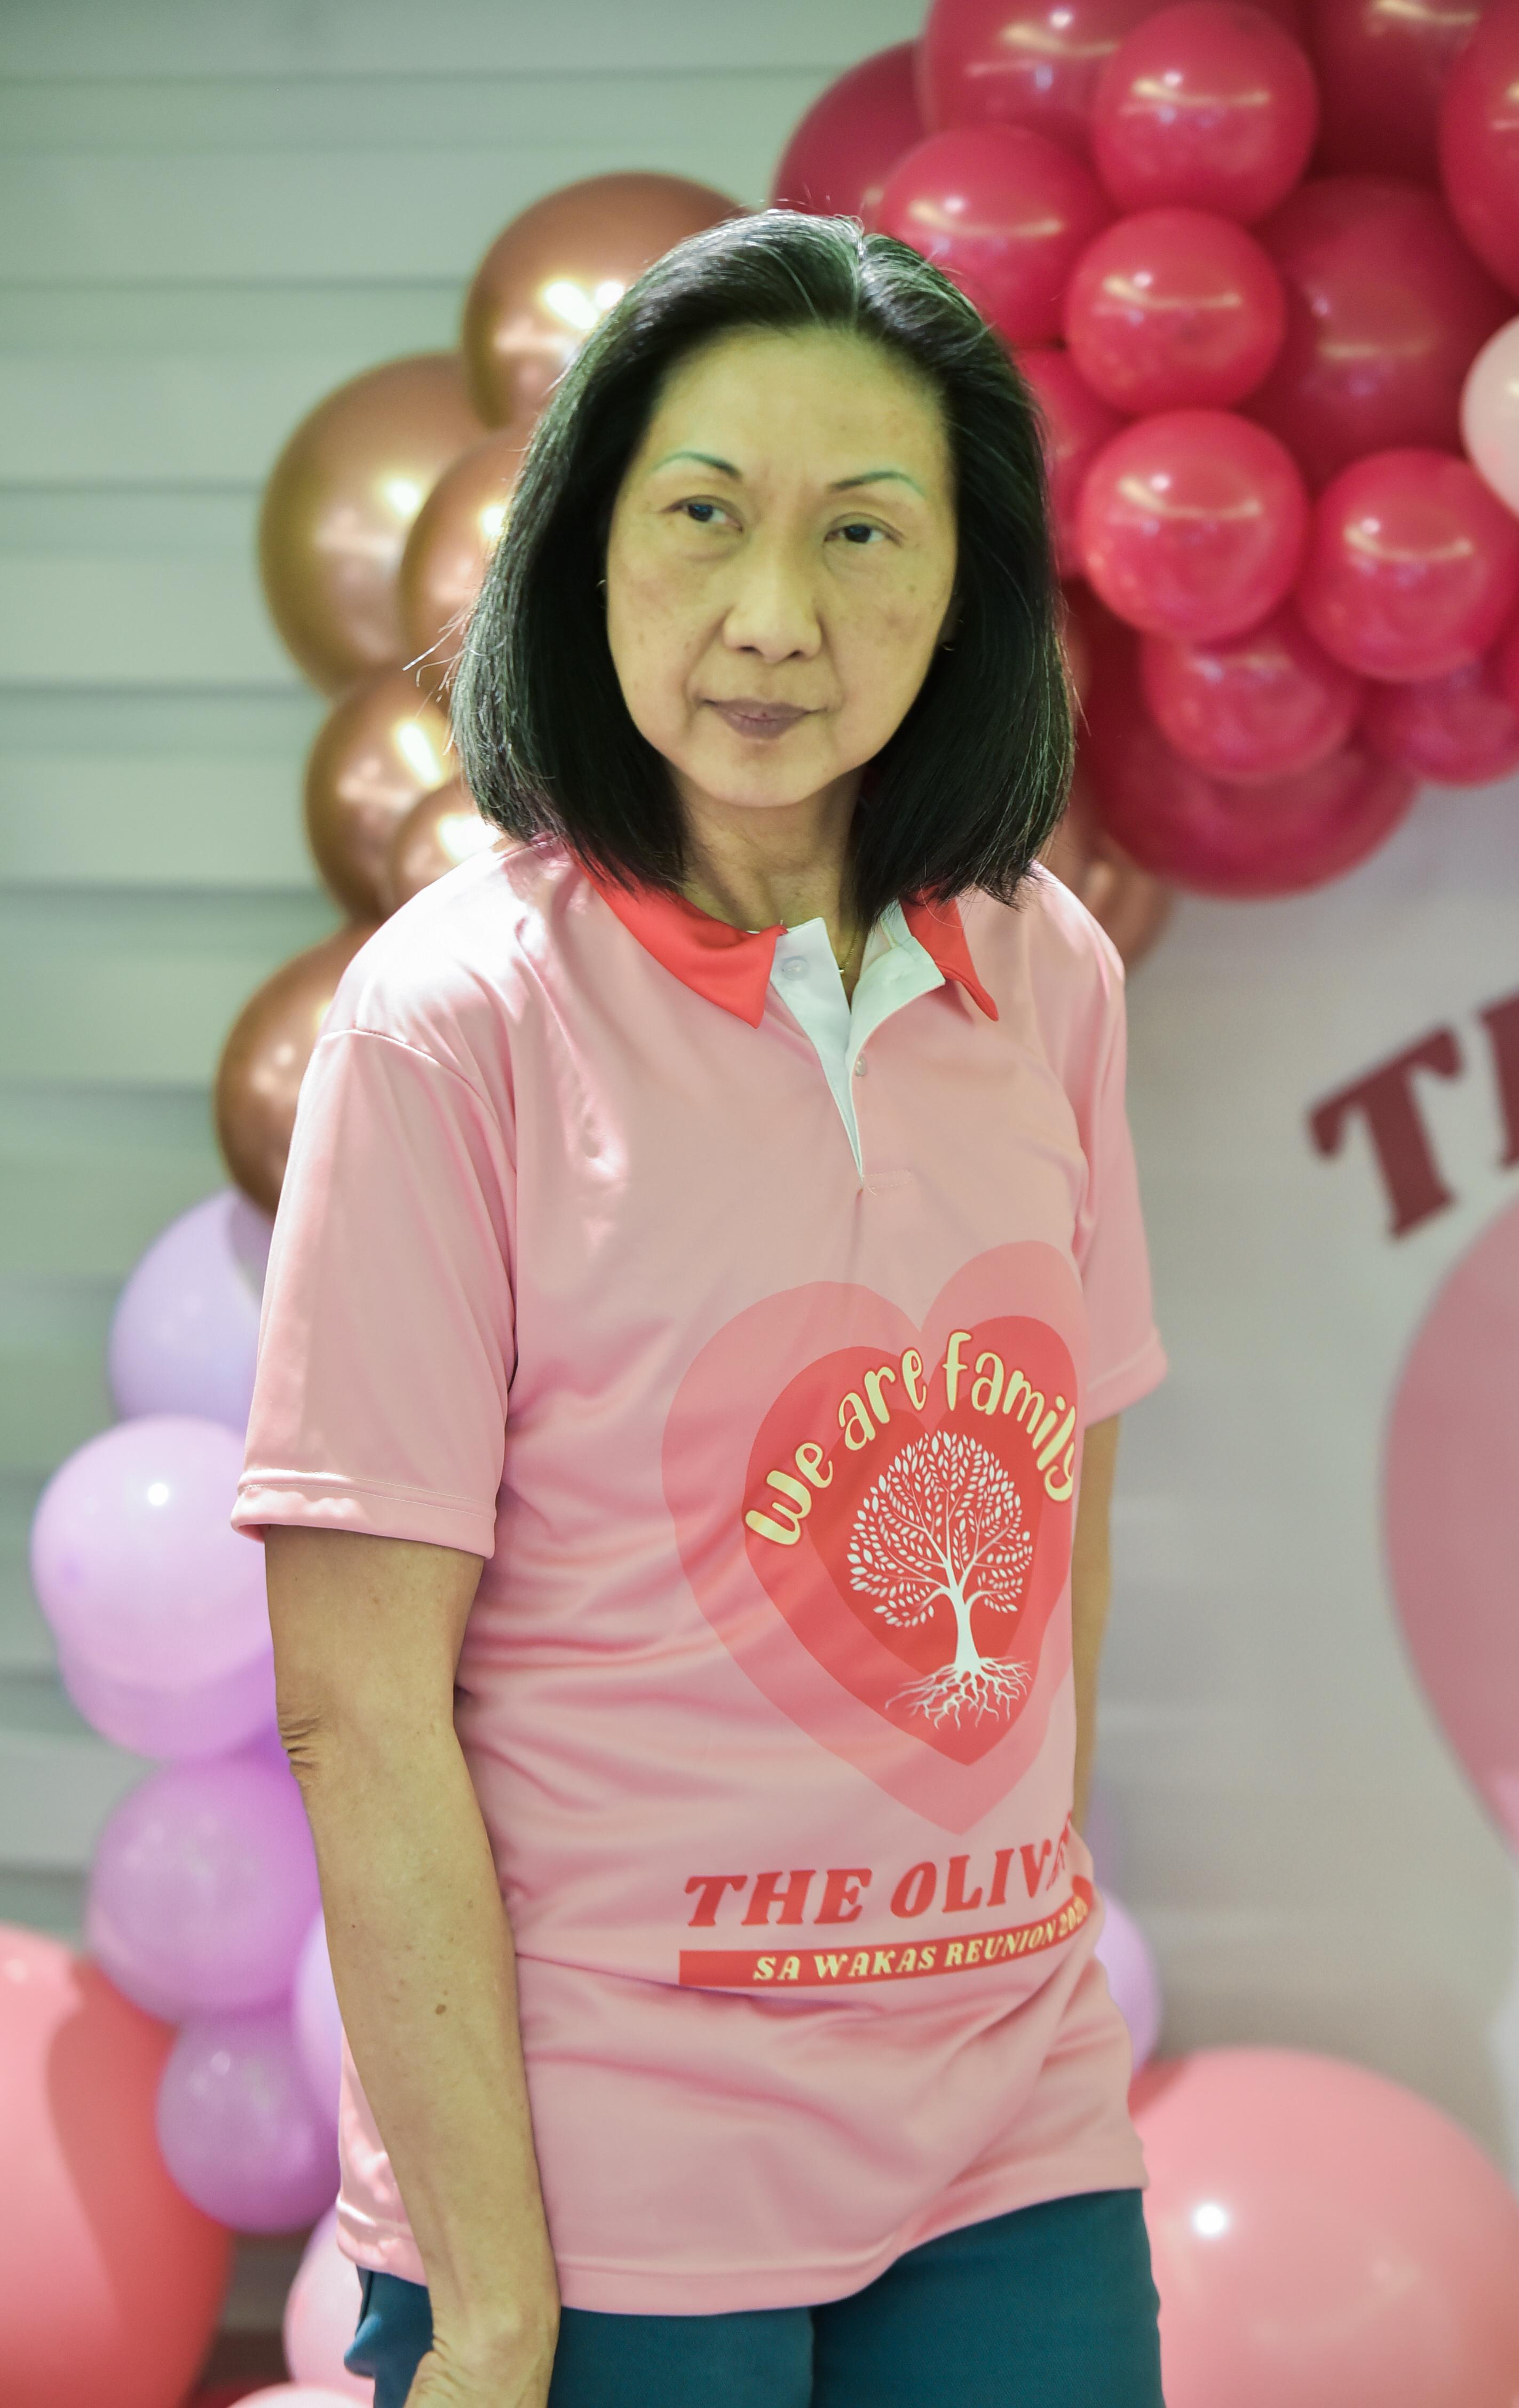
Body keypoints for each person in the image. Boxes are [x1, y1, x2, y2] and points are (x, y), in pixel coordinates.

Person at [234, 210, 1168, 2408]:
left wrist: (982, 1927)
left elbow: (1064, 1539)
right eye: (703, 516)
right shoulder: (452, 1018)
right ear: (587, 548)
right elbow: (358, 1706)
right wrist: (491, 2306)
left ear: (967, 584)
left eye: (863, 531)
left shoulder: (1046, 977)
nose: (774, 617)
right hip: (601, 2185)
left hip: (1010, 2140)